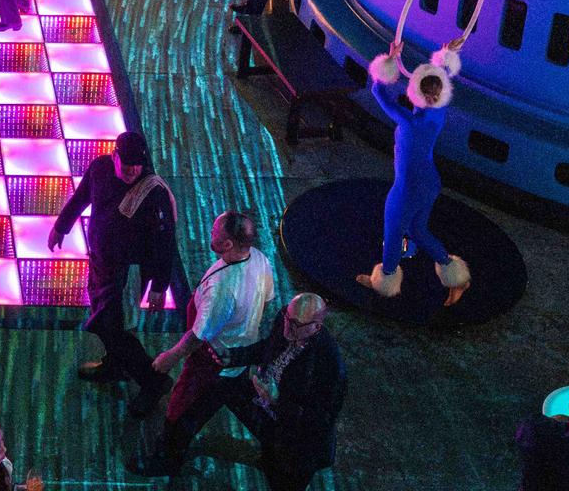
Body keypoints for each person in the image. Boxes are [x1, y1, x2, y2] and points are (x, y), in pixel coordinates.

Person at [128, 210, 276, 478]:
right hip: (238, 356)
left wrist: (171, 356)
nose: (210, 234)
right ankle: (279, 448)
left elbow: (199, 335)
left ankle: (166, 460)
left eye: (215, 233)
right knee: (243, 400)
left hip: (212, 363)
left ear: (228, 244)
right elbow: (266, 300)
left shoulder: (222, 288)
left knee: (181, 409)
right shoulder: (260, 261)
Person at [48, 130, 182, 418]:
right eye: (128, 163)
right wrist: (61, 226)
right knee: (104, 321)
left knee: (113, 326)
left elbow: (165, 242)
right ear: (115, 156)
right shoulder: (100, 168)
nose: (133, 169)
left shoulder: (154, 192)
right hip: (101, 262)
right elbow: (81, 197)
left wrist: (159, 285)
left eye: (139, 164)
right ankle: (115, 364)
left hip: (128, 273)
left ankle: (153, 380)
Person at [357, 69, 471, 305]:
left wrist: (387, 65)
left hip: (409, 188)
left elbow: (378, 90)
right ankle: (457, 279)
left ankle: (383, 281)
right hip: (428, 183)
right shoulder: (437, 112)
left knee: (393, 229)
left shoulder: (409, 121)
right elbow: (442, 75)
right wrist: (446, 58)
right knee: (418, 230)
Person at [220, 294, 347, 491]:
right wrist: (234, 357)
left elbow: (319, 419)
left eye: (295, 323)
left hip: (298, 449)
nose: (287, 326)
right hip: (272, 422)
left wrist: (278, 400)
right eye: (287, 317)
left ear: (316, 327)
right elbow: (267, 347)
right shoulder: (286, 322)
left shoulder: (328, 364)